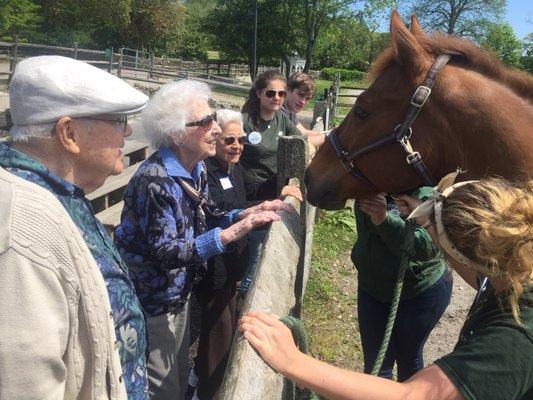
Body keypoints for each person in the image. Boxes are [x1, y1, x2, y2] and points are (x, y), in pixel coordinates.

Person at [240, 176, 533, 400]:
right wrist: (431, 221)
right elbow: (477, 275)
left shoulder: (514, 340)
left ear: (464, 254)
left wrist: (293, 362)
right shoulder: (512, 270)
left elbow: (414, 395)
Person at [114, 80, 292, 400]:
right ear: (178, 134)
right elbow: (167, 252)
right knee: (162, 387)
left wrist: (248, 213)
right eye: (206, 122)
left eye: (213, 119)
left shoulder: (193, 169)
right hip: (152, 301)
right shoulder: (156, 180)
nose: (215, 130)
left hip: (178, 293)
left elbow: (207, 214)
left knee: (179, 374)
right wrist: (229, 234)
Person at [0, 55, 150, 399]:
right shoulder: (21, 228)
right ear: (69, 133)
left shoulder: (58, 192)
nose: (127, 131)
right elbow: (26, 387)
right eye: (119, 120)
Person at [353, 190, 452, 380]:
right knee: (376, 364)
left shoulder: (422, 187)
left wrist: (384, 219)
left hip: (419, 291)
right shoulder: (364, 179)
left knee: (409, 358)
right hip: (372, 287)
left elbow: (428, 248)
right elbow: (329, 193)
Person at [239, 70, 303, 294]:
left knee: (262, 247)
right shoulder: (245, 121)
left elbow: (300, 142)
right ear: (258, 93)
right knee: (256, 251)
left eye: (281, 94)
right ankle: (244, 297)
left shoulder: (281, 119)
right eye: (270, 93)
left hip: (276, 189)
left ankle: (247, 293)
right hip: (251, 192)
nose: (277, 98)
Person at [279, 71, 327, 148]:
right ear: (288, 89)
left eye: (307, 98)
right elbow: (299, 142)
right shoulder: (279, 112)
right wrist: (327, 137)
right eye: (300, 95)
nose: (303, 102)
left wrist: (328, 133)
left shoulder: (290, 110)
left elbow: (304, 132)